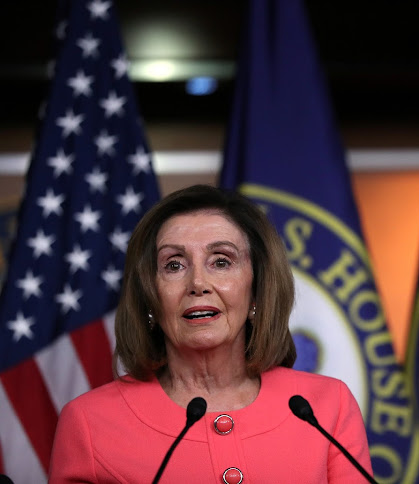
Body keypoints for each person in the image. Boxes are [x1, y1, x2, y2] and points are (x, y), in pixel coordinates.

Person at [49, 184, 372, 483]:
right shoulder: (90, 423)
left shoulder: (326, 407)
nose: (198, 284)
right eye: (174, 265)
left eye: (221, 261)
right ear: (149, 295)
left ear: (257, 289)